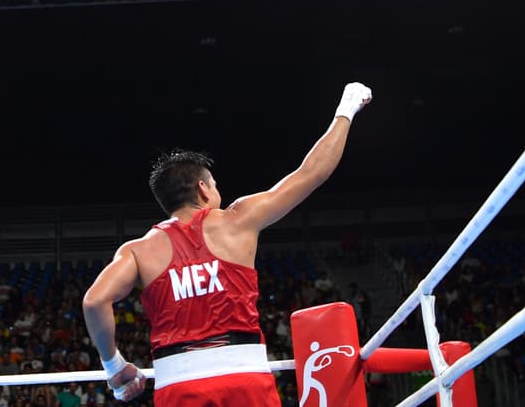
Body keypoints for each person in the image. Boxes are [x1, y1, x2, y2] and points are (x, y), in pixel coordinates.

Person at [82, 82, 373, 405]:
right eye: (215, 186)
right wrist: (346, 110)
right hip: (243, 377)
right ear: (204, 189)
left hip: (178, 385)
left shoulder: (138, 250)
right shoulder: (237, 220)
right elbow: (312, 173)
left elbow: (94, 302)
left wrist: (114, 365)